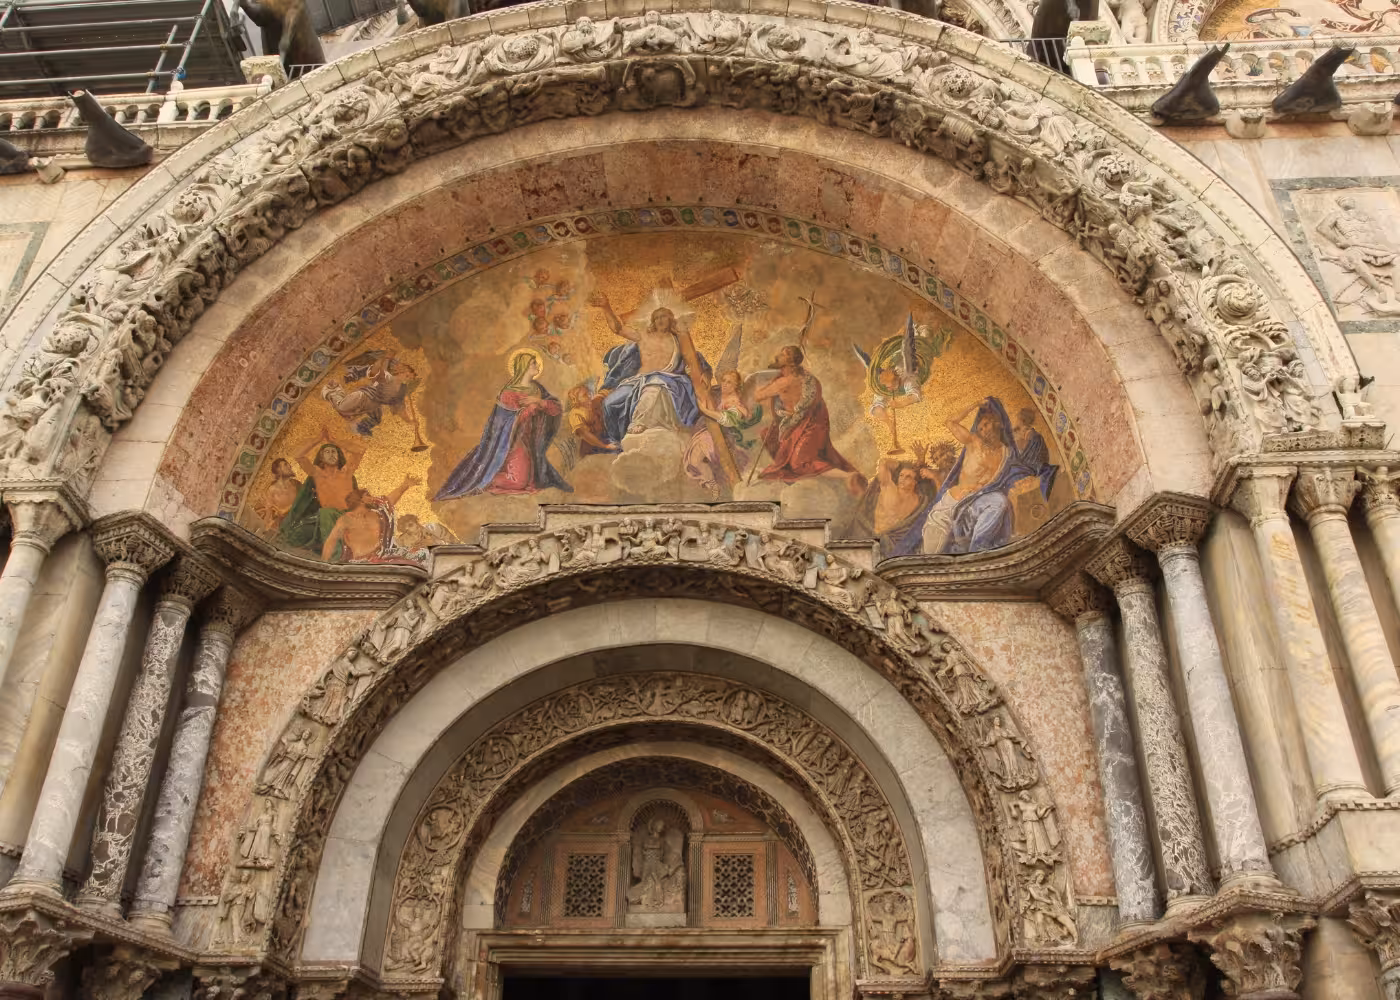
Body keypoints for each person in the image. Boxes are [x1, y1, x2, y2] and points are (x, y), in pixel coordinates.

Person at [434, 349, 571, 499]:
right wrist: (529, 409)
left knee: (530, 480)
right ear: (524, 367)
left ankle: (489, 477)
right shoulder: (508, 393)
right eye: (533, 363)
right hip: (510, 444)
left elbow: (555, 409)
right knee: (518, 483)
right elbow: (503, 423)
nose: (536, 365)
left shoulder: (537, 389)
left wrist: (538, 401)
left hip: (531, 443)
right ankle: (484, 480)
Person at [590, 285, 711, 442]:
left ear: (671, 319)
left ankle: (639, 422)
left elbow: (696, 361)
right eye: (657, 317)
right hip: (638, 381)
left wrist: (706, 374)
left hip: (665, 380)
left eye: (664, 316)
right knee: (609, 403)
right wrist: (606, 307)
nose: (660, 320)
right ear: (653, 321)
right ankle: (616, 439)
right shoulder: (644, 337)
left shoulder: (679, 341)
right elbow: (618, 328)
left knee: (653, 390)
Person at [939, 397, 1057, 554]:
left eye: (986, 425)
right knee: (999, 502)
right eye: (980, 428)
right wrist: (974, 404)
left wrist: (1024, 478)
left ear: (998, 424)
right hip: (966, 499)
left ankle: (979, 549)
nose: (983, 431)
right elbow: (950, 423)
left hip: (984, 498)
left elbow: (1013, 473)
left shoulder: (1007, 452)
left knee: (1001, 502)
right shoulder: (974, 442)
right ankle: (977, 551)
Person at [752, 345, 857, 483]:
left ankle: (847, 476)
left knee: (799, 463)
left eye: (783, 355)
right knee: (768, 435)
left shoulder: (783, 382)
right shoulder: (805, 377)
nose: (778, 356)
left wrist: (763, 383)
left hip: (807, 427)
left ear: (790, 362)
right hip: (809, 424)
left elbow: (758, 396)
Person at [842, 441, 955, 557]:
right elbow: (883, 463)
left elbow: (940, 504)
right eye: (901, 475)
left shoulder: (921, 502)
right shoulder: (889, 488)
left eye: (908, 477)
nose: (902, 479)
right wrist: (900, 465)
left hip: (898, 548)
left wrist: (931, 475)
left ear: (915, 482)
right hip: (874, 538)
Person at [278, 430, 366, 555]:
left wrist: (336, 441)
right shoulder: (317, 474)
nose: (331, 454)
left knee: (326, 513)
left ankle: (335, 557)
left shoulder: (346, 472)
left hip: (347, 515)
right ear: (321, 457)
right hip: (324, 519)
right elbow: (297, 455)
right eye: (327, 452)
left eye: (334, 451)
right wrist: (318, 439)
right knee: (295, 535)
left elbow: (360, 450)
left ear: (339, 455)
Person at [684, 369, 763, 497]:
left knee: (698, 461)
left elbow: (728, 420)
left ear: (736, 386)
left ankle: (714, 485)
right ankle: (711, 482)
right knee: (693, 462)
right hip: (705, 432)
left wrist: (705, 410)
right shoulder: (718, 392)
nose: (725, 384)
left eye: (729, 382)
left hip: (721, 437)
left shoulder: (734, 402)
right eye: (724, 381)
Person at [320, 473, 421, 562]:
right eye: (368, 495)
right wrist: (324, 564)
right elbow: (331, 541)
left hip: (382, 557)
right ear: (361, 499)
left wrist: (405, 485)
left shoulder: (377, 513)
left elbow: (389, 500)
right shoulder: (346, 520)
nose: (372, 497)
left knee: (417, 556)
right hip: (361, 562)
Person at [255, 458, 301, 536]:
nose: (290, 466)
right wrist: (262, 530)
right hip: (286, 526)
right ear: (278, 470)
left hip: (301, 520)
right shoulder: (272, 490)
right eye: (285, 465)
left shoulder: (296, 484)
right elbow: (268, 514)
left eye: (289, 464)